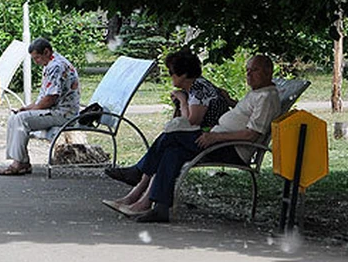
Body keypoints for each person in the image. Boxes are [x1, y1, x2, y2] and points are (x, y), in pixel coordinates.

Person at [102, 54, 281, 223]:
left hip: (230, 148)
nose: (248, 74)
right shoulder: (258, 92)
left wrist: (215, 137)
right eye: (247, 70)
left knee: (170, 137)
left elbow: (252, 135)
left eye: (254, 70)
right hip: (220, 141)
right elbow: (245, 115)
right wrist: (232, 102)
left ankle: (138, 173)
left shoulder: (267, 97)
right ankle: (158, 208)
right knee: (173, 153)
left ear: (268, 72)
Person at [104, 49, 231, 185]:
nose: (171, 76)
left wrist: (182, 101)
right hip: (203, 136)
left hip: (209, 139)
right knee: (168, 142)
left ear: (183, 75)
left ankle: (139, 173)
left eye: (172, 73)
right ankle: (141, 179)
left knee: (168, 137)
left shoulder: (199, 89)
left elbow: (190, 123)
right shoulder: (196, 86)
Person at [0, 38, 81, 176]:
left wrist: (30, 110)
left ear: (46, 52)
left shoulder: (56, 66)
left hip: (63, 114)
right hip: (55, 111)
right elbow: (45, 98)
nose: (36, 62)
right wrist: (27, 108)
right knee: (14, 118)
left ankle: (20, 163)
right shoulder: (52, 63)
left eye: (37, 58)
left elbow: (50, 98)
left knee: (20, 120)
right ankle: (21, 161)